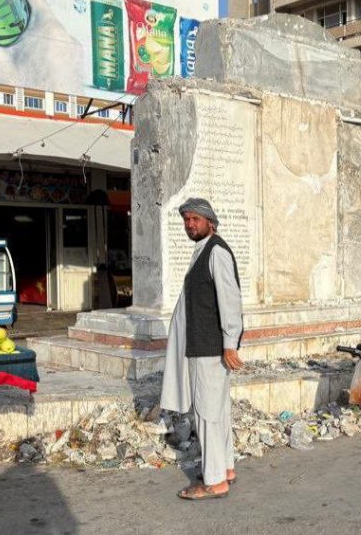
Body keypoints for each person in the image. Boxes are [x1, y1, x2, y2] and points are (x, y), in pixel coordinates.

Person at [161, 198, 245, 500]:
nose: (189, 224)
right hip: (204, 346)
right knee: (217, 411)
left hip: (209, 348)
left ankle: (213, 482)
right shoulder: (204, 250)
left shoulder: (216, 251)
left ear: (210, 221)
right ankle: (225, 469)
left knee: (207, 413)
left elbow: (230, 300)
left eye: (195, 219)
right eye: (186, 220)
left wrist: (229, 343)